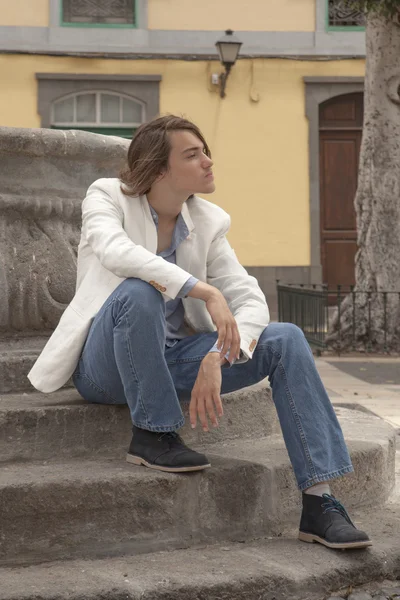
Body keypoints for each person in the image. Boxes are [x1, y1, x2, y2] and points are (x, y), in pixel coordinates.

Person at [28, 114, 371, 551]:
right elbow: (116, 252)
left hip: (173, 361)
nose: (209, 161)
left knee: (285, 338)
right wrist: (202, 290)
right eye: (193, 154)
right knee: (139, 292)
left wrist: (218, 356)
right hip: (106, 367)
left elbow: (251, 300)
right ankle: (153, 432)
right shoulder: (106, 196)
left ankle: (320, 504)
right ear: (158, 169)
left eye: (205, 151)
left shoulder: (207, 221)